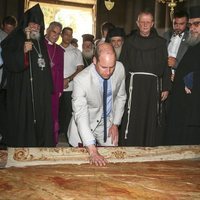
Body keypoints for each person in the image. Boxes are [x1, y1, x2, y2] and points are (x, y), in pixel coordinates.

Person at [1, 4, 54, 147]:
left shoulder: (40, 41)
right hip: (22, 90)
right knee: (24, 120)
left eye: (38, 25)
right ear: (26, 23)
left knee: (41, 120)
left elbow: (45, 65)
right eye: (32, 24)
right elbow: (8, 58)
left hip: (40, 91)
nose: (35, 27)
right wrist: (22, 51)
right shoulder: (16, 37)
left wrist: (48, 87)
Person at [67, 43, 126, 166]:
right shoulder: (81, 80)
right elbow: (81, 114)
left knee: (114, 161)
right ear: (94, 60)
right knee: (81, 167)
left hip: (108, 123)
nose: (108, 72)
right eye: (104, 67)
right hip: (85, 124)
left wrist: (115, 123)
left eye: (112, 67)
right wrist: (93, 151)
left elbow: (121, 97)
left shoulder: (120, 68)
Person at [119, 10, 171, 147]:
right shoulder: (129, 42)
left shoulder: (160, 43)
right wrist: (121, 87)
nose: (145, 24)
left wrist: (166, 87)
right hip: (133, 86)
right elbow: (123, 65)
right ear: (137, 23)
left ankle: (148, 145)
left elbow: (166, 66)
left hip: (152, 87)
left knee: (150, 117)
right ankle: (131, 145)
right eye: (142, 22)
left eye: (148, 22)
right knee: (133, 116)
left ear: (152, 23)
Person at [165, 6, 200, 145]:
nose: (192, 28)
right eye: (190, 25)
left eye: (197, 24)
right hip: (184, 107)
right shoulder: (194, 45)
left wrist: (191, 79)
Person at [59, 27, 84, 141]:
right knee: (56, 111)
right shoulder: (55, 48)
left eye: (70, 35)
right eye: (66, 34)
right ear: (61, 35)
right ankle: (55, 134)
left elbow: (80, 69)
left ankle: (67, 136)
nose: (68, 37)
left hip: (70, 87)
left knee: (68, 112)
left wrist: (67, 80)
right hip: (55, 86)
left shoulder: (76, 51)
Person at [45, 21, 64, 145]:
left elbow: (61, 70)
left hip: (54, 88)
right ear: (48, 30)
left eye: (58, 33)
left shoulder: (60, 50)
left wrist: (60, 89)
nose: (56, 36)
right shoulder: (39, 45)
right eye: (54, 32)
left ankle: (51, 140)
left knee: (53, 113)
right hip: (41, 86)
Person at [163, 10, 189, 81]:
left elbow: (192, 62)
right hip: (164, 76)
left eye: (181, 24)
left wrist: (176, 64)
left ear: (187, 23)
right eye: (175, 23)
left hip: (181, 77)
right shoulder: (166, 35)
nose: (177, 27)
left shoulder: (191, 38)